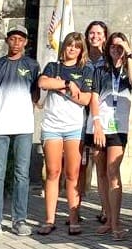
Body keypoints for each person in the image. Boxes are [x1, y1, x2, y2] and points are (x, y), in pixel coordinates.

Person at [0, 25, 40, 240]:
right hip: (0, 127)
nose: (16, 42)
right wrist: (1, 110)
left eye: (20, 39)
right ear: (7, 40)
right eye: (13, 38)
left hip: (23, 127)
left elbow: (35, 94)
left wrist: (21, 110)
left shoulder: (32, 65)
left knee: (21, 174)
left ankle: (19, 220)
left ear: (25, 42)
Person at [36, 32, 93, 235]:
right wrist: (68, 84)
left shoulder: (86, 69)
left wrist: (62, 89)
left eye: (77, 46)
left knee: (73, 174)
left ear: (81, 50)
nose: (72, 49)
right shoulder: (53, 66)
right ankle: (49, 219)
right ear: (64, 47)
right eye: (69, 45)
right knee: (52, 173)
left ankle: (73, 218)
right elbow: (43, 82)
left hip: (74, 127)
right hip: (52, 125)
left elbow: (85, 99)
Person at [87, 32, 132, 240]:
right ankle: (108, 219)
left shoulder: (129, 70)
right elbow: (93, 97)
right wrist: (97, 124)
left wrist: (129, 53)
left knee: (112, 171)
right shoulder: (100, 70)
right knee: (100, 174)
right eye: (113, 47)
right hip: (99, 126)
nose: (116, 51)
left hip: (119, 129)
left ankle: (117, 222)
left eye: (120, 47)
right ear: (107, 49)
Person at [82, 20, 109, 224]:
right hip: (79, 113)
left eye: (99, 33)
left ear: (105, 36)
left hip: (102, 117)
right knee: (80, 163)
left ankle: (105, 208)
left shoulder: (110, 60)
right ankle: (76, 208)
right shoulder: (81, 59)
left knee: (103, 165)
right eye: (92, 33)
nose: (95, 36)